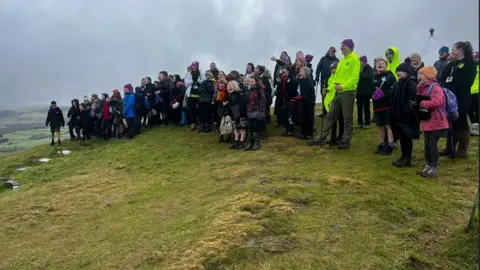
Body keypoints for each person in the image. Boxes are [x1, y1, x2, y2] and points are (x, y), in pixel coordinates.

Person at [308, 39, 361, 149]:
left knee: (347, 117)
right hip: (338, 92)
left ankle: (345, 141)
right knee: (330, 115)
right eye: (341, 46)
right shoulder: (341, 61)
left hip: (348, 92)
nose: (341, 48)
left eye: (344, 46)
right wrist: (328, 89)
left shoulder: (354, 59)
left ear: (350, 47)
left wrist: (343, 86)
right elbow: (335, 78)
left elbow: (355, 77)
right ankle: (320, 138)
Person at [439, 41, 477, 158]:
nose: (451, 51)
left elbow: (467, 81)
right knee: (451, 122)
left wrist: (452, 86)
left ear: (460, 50)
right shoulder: (452, 64)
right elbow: (443, 76)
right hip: (449, 98)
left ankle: (462, 150)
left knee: (461, 121)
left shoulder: (469, 63)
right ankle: (449, 148)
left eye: (453, 49)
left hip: (461, 98)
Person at [415, 67, 449, 178]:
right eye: (418, 74)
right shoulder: (421, 88)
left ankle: (433, 168)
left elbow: (438, 101)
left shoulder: (435, 87)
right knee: (426, 145)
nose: (418, 77)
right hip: (428, 121)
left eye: (421, 74)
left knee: (432, 144)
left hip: (437, 121)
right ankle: (428, 165)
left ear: (429, 76)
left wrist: (423, 103)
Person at [390, 62, 419, 167]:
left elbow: (413, 100)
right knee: (402, 137)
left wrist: (407, 111)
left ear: (407, 72)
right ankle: (403, 156)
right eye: (397, 71)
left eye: (400, 71)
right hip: (399, 115)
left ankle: (407, 158)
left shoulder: (411, 83)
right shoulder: (400, 83)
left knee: (406, 137)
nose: (398, 73)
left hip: (407, 116)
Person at [372, 58, 397, 155]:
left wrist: (384, 93)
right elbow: (372, 89)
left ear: (386, 66)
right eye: (378, 63)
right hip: (377, 105)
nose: (380, 64)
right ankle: (381, 143)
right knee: (380, 125)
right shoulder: (374, 77)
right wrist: (373, 95)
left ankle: (391, 143)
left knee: (388, 125)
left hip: (387, 104)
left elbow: (394, 89)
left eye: (382, 63)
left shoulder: (390, 76)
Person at [322, 62, 344, 145]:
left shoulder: (341, 76)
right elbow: (331, 87)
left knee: (341, 120)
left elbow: (334, 87)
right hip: (332, 101)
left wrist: (328, 89)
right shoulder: (331, 78)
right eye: (332, 68)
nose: (333, 70)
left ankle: (341, 137)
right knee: (333, 121)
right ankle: (333, 138)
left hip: (340, 100)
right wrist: (327, 90)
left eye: (335, 68)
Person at [316, 47, 339, 117]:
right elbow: (318, 68)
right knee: (324, 95)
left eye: (334, 51)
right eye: (332, 51)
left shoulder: (337, 60)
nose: (333, 52)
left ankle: (332, 111)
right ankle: (324, 111)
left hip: (334, 81)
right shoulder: (323, 59)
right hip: (324, 80)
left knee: (333, 96)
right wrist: (317, 76)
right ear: (329, 51)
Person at [245, 76, 267, 151]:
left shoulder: (259, 90)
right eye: (249, 82)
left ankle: (256, 143)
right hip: (249, 112)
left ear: (256, 82)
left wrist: (261, 114)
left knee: (255, 128)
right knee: (250, 127)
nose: (250, 83)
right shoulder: (249, 91)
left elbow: (263, 102)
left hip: (257, 112)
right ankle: (250, 143)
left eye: (252, 81)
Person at [227, 80, 248, 149]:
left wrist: (242, 114)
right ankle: (236, 142)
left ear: (235, 86)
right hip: (234, 113)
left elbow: (243, 105)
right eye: (229, 86)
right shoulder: (230, 95)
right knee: (236, 128)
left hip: (241, 114)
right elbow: (230, 106)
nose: (230, 87)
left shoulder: (240, 93)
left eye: (231, 85)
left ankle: (241, 142)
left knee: (242, 128)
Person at [297, 66, 316, 139]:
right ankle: (302, 132)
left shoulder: (309, 80)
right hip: (301, 102)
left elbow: (311, 91)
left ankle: (309, 133)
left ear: (306, 73)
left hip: (309, 102)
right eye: (300, 71)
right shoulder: (299, 80)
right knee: (302, 117)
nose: (300, 73)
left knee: (309, 117)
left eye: (301, 71)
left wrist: (304, 96)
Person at [356, 55, 374, 128]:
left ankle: (367, 123)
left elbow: (369, 78)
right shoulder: (358, 69)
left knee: (366, 108)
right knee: (359, 107)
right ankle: (360, 122)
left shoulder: (369, 69)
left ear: (364, 61)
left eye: (360, 61)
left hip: (366, 92)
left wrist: (360, 76)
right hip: (359, 91)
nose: (359, 63)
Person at [185, 62, 202, 131]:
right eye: (193, 66)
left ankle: (202, 123)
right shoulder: (188, 74)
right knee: (191, 110)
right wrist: (192, 80)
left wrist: (198, 80)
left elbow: (203, 81)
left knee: (201, 109)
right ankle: (193, 123)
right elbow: (186, 84)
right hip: (191, 95)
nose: (194, 67)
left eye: (195, 66)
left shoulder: (201, 73)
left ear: (197, 66)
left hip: (200, 94)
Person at [468, 51, 479, 136]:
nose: (474, 59)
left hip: (477, 93)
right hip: (469, 92)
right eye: (473, 57)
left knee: (477, 110)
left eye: (476, 57)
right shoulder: (470, 67)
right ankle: (475, 127)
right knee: (470, 111)